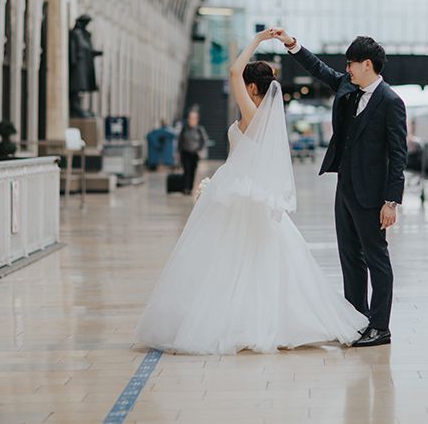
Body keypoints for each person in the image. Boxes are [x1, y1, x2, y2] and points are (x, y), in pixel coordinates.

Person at [134, 29, 367, 354]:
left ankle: (230, 321)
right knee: (261, 261)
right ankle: (267, 319)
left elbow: (233, 71)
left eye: (245, 86)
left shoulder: (252, 115)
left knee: (225, 261)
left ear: (252, 88)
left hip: (235, 193)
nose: (239, 88)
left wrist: (258, 40)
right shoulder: (266, 120)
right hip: (243, 190)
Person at [275, 30, 407, 348]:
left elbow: (398, 154)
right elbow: (319, 70)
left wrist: (391, 201)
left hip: (373, 195)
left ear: (366, 64)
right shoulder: (349, 87)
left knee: (376, 258)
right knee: (350, 257)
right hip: (345, 189)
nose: (346, 69)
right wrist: (293, 46)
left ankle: (380, 327)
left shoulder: (391, 102)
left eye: (350, 64)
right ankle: (356, 321)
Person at [177, 110, 208, 195]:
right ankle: (186, 188)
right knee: (186, 170)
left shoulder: (199, 129)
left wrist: (199, 149)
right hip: (185, 153)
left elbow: (204, 141)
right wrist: (178, 152)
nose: (192, 120)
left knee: (192, 171)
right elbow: (180, 141)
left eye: (194, 118)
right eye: (190, 118)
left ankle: (190, 188)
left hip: (194, 154)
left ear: (197, 119)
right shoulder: (184, 128)